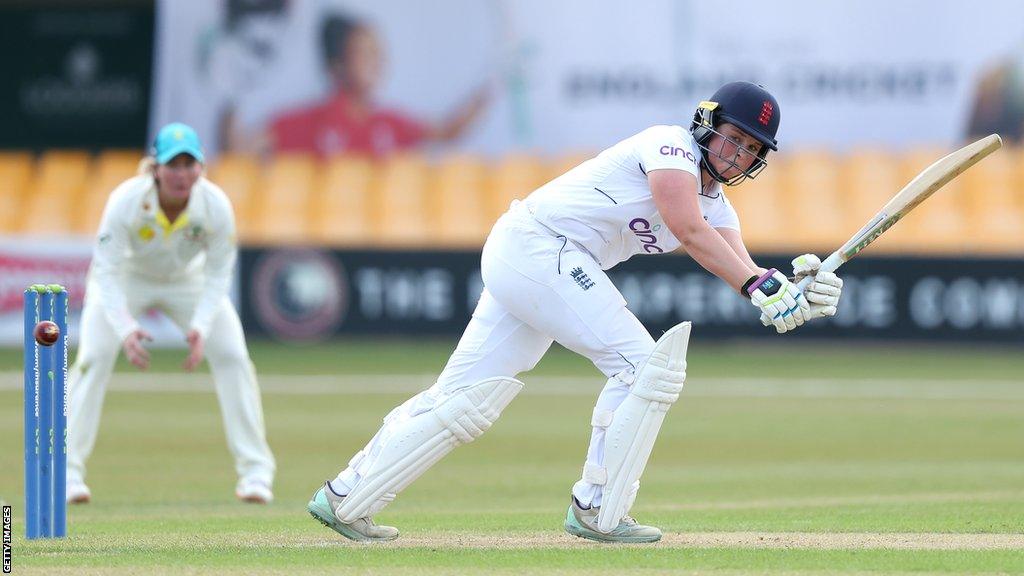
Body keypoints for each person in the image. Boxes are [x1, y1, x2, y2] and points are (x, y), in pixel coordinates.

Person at [305, 82, 844, 543]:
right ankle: (597, 508)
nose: (739, 155)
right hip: (541, 246)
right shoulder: (670, 146)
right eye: (734, 137)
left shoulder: (718, 204)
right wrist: (758, 285)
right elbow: (689, 231)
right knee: (643, 368)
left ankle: (346, 497)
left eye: (752, 149)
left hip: (536, 258)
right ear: (707, 124)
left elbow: (739, 265)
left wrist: (793, 293)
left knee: (465, 397)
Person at [66, 122, 276, 505]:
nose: (181, 175)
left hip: (187, 281)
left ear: (200, 167)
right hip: (128, 277)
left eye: (189, 164)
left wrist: (200, 325)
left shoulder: (215, 205)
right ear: (154, 168)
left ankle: (256, 472)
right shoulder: (126, 200)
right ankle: (67, 473)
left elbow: (217, 273)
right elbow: (106, 272)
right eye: (172, 165)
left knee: (233, 355)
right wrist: (126, 328)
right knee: (92, 359)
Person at [265, 13, 489, 158]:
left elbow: (447, 132)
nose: (378, 62)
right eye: (366, 53)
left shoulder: (390, 123)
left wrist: (489, 87)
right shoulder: (308, 121)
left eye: (378, 52)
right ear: (339, 63)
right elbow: (244, 146)